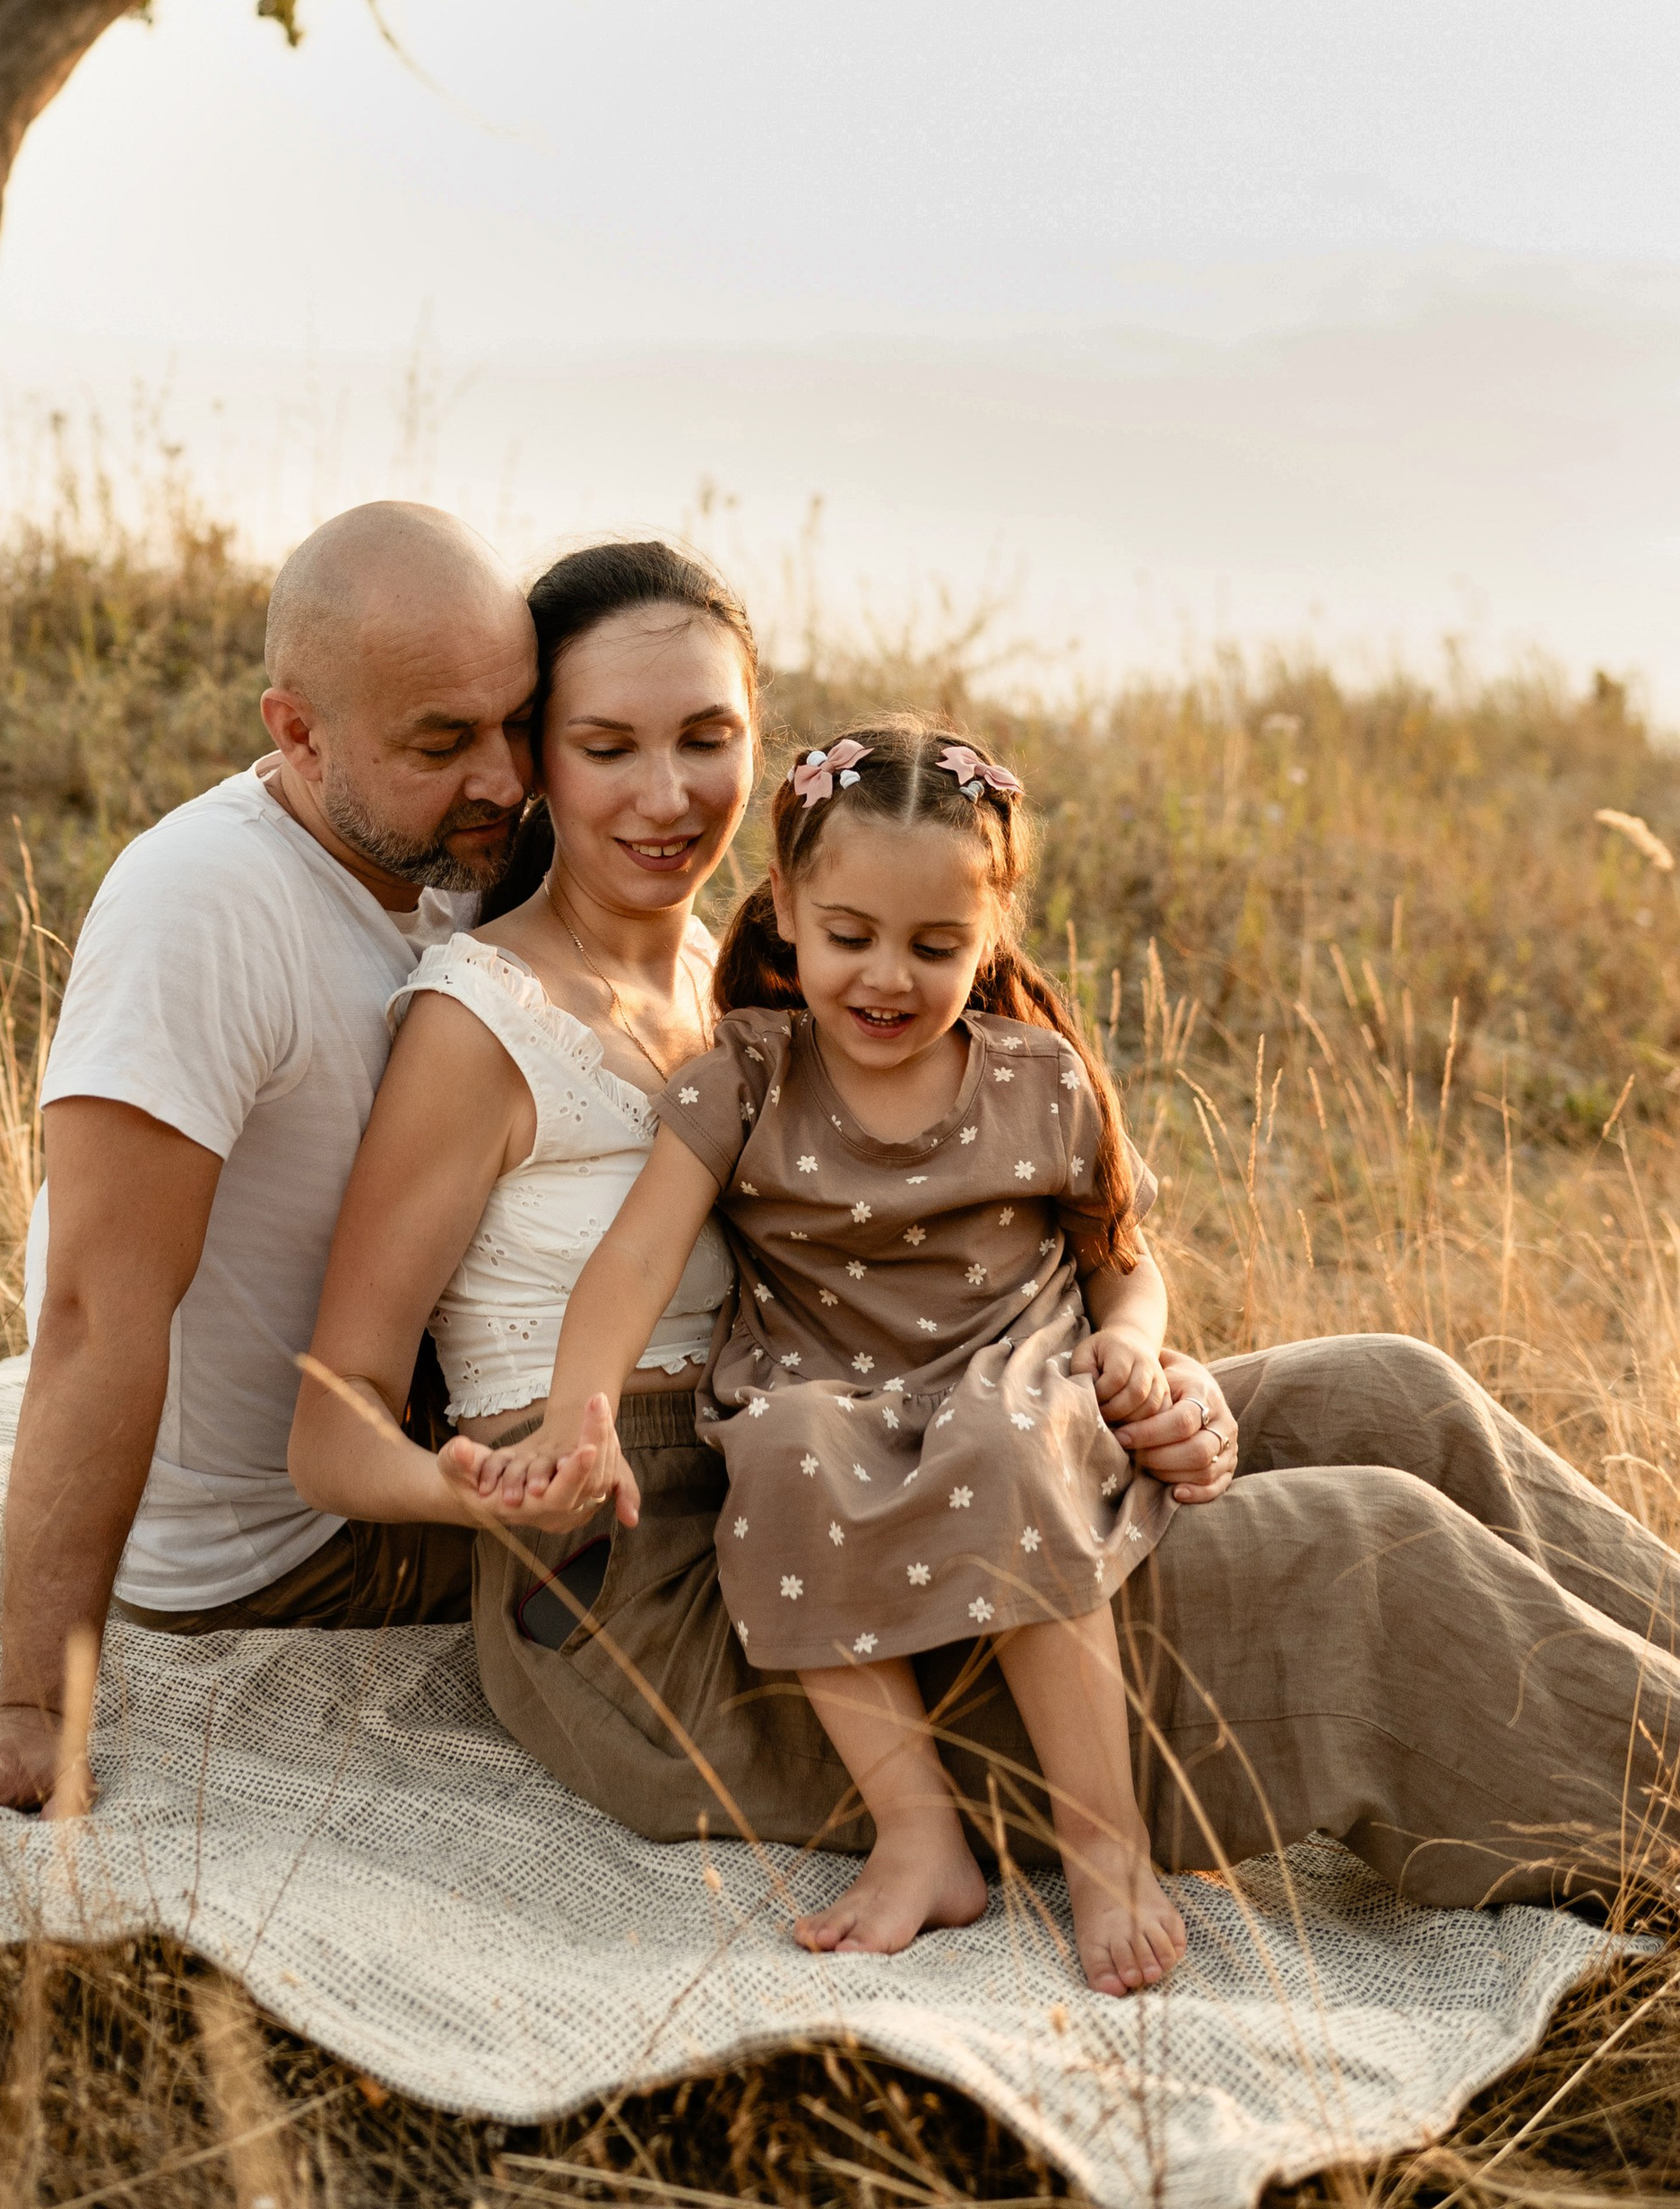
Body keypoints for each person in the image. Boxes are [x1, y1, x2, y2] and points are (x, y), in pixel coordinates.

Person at [295, 544, 1680, 1927]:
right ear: (539, 758)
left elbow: (980, 1254)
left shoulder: (768, 974)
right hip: (664, 1588)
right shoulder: (480, 1023)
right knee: (1370, 1553)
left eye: (707, 737)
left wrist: (1137, 1373)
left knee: (1396, 1392)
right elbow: (331, 1411)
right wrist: (481, 1487)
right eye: (609, 746)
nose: (668, 793)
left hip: (884, 1442)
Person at [0, 499, 541, 1814]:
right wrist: (38, 1703)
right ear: (299, 732)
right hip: (292, 1542)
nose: (502, 773)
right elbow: (97, 1306)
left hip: (381, 1424)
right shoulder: (205, 902)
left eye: (518, 720)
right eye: (444, 739)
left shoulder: (444, 848)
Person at [456, 718, 1188, 1988]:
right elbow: (633, 1257)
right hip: (823, 1379)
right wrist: (579, 1410)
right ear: (786, 906)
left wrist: (1131, 1341)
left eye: (936, 943)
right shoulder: (747, 1075)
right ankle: (919, 1836)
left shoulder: (1037, 1081)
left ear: (993, 931)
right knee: (781, 1461)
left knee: (1009, 1448)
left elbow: (1123, 1253)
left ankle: (1104, 1841)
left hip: (1005, 1362)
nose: (888, 977)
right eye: (850, 934)